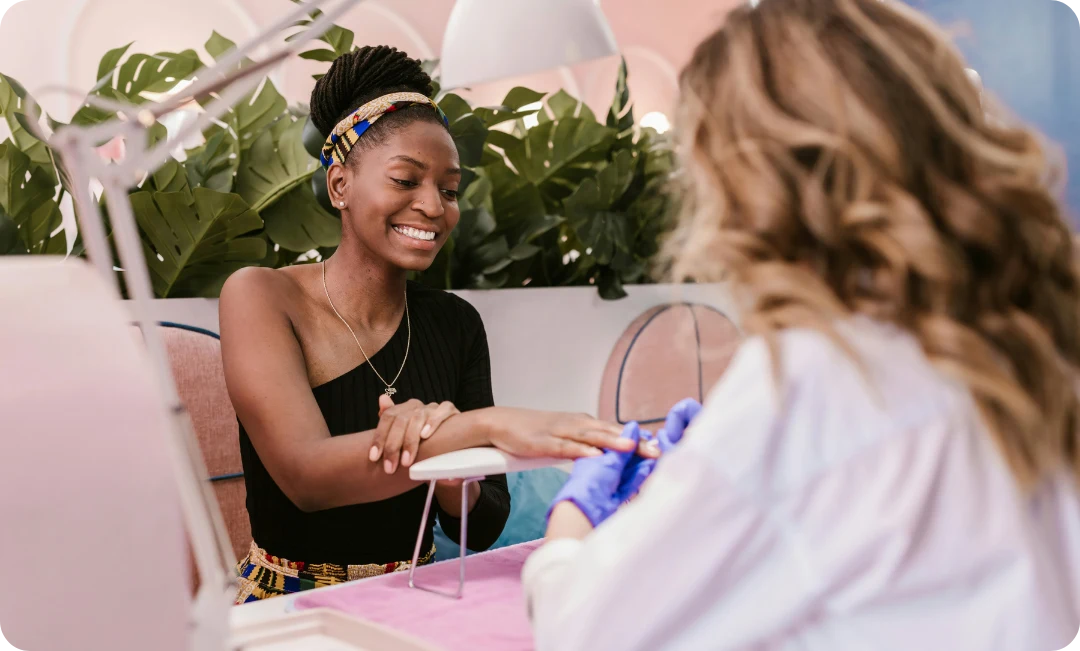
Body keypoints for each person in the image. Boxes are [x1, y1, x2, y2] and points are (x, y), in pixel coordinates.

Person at [522, 0, 1080, 649]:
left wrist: (576, 514)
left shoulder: (814, 382)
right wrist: (713, 472)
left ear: (750, 183)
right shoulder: (1033, 338)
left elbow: (584, 632)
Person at [219, 46, 642, 604]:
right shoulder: (260, 295)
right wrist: (474, 429)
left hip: (417, 594)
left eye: (448, 190)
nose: (433, 206)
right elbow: (308, 478)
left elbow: (483, 523)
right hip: (287, 607)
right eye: (405, 180)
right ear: (340, 185)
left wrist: (448, 474)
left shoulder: (454, 323)